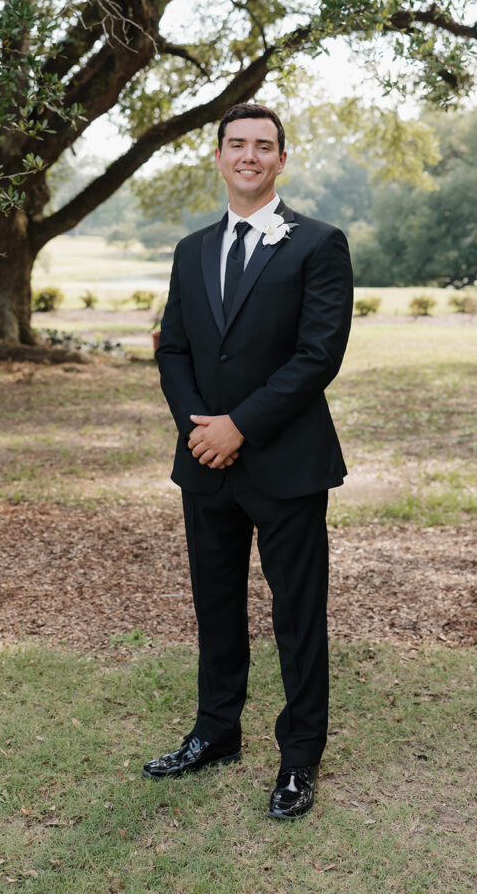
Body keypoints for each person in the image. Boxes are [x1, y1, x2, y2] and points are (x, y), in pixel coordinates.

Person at [144, 103, 353, 819]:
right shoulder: (191, 250)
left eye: (265, 146)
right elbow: (172, 348)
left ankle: (299, 758)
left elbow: (317, 356)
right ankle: (216, 733)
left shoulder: (319, 244)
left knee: (298, 613)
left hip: (287, 463)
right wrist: (202, 430)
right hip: (205, 463)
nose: (250, 156)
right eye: (237, 144)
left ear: (281, 161)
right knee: (217, 606)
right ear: (219, 155)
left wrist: (240, 426)